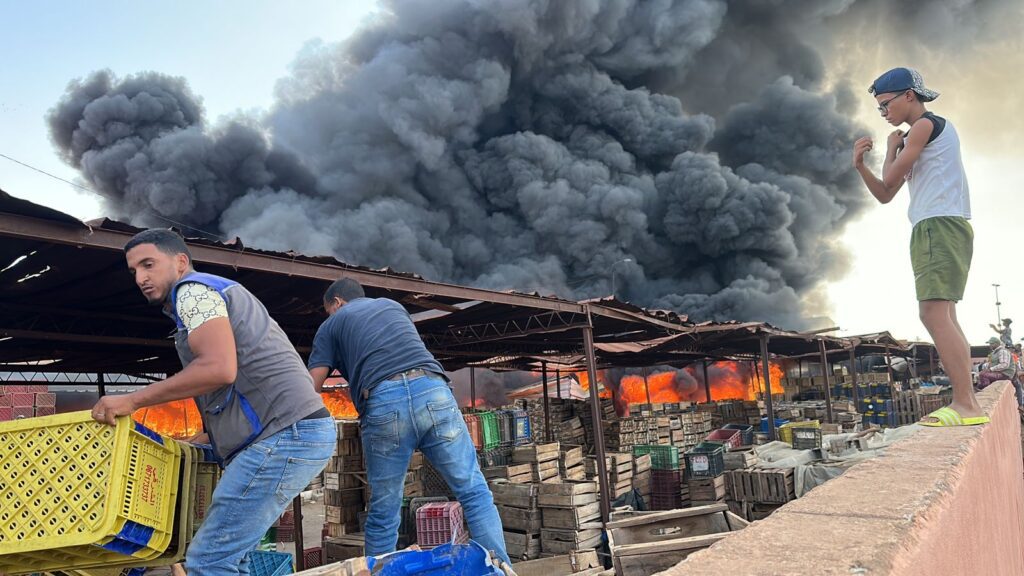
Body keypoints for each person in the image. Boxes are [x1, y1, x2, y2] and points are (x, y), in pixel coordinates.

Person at [91, 229, 334, 576]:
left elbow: (219, 369)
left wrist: (133, 400)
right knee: (236, 558)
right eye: (134, 272)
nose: (142, 278)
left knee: (210, 560)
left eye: (149, 264)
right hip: (290, 432)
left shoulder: (192, 291)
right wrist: (206, 440)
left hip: (284, 435)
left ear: (180, 262)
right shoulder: (212, 294)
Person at [307, 278, 511, 564]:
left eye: (329, 310)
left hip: (384, 400)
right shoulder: (393, 306)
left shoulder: (332, 324)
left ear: (337, 303)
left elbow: (312, 386)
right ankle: (501, 569)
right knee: (475, 492)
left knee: (384, 511)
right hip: (434, 390)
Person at [852, 67, 988, 427]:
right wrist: (860, 165)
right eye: (879, 109)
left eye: (885, 104)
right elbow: (885, 194)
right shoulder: (923, 135)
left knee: (931, 314)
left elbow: (891, 177)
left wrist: (890, 149)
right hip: (938, 226)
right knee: (944, 314)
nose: (883, 113)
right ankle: (968, 402)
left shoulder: (927, 126)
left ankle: (966, 405)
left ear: (909, 95)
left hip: (938, 225)